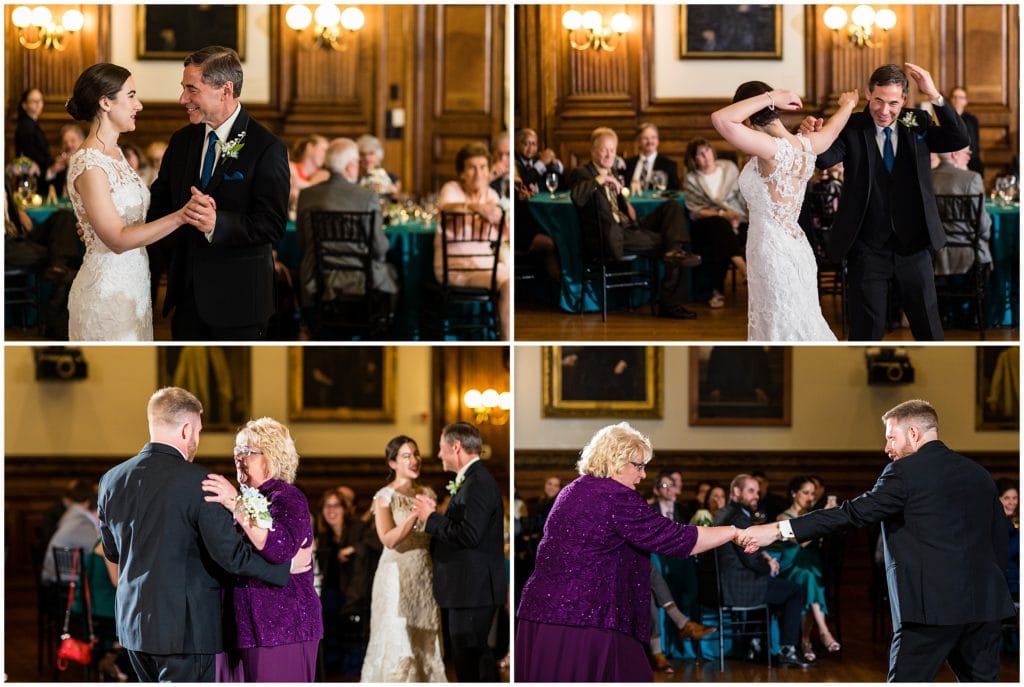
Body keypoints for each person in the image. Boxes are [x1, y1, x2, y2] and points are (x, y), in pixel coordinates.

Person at [743, 399, 1017, 681]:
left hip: (929, 611)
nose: (887, 449)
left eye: (890, 438)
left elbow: (852, 514)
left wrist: (778, 530)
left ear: (913, 433)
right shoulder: (979, 474)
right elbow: (998, 539)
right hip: (986, 605)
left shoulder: (904, 472)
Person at [97, 387, 312, 682]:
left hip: (134, 628)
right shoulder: (201, 482)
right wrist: (283, 570)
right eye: (198, 430)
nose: (198, 438)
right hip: (185, 630)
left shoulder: (111, 480)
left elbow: (112, 551)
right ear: (186, 430)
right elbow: (231, 556)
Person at [515, 423, 753, 681]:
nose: (642, 475)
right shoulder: (615, 496)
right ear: (615, 460)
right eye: (638, 465)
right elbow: (678, 538)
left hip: (544, 616)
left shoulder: (572, 490)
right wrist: (733, 532)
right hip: (585, 621)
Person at [800, 63, 971, 341]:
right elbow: (823, 158)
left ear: (904, 100)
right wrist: (810, 134)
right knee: (865, 333)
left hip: (914, 246)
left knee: (929, 330)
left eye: (893, 103)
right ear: (868, 93)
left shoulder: (913, 120)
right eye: (878, 100)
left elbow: (958, 138)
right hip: (867, 248)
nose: (884, 110)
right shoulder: (853, 126)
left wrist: (934, 95)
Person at [148, 45, 290, 340]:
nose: (183, 99)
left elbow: (273, 224)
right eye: (183, 89)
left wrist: (218, 224)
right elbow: (158, 203)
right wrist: (109, 223)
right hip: (186, 296)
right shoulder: (182, 141)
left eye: (192, 90)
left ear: (225, 90)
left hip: (240, 302)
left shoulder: (266, 147)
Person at [63, 63, 205, 341]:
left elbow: (122, 218)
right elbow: (116, 239)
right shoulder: (90, 163)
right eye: (131, 95)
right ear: (105, 102)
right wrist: (181, 215)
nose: (138, 105)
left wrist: (92, 227)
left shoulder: (114, 152)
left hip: (134, 285)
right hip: (106, 294)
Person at [711, 80, 858, 340]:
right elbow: (834, 129)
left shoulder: (771, 150)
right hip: (797, 248)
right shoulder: (806, 145)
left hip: (772, 252)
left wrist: (771, 96)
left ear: (746, 114)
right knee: (802, 321)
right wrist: (848, 104)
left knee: (781, 329)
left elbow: (720, 119)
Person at [200, 417, 323, 681]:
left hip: (282, 626)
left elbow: (279, 550)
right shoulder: (239, 499)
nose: (238, 458)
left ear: (273, 457)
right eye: (237, 450)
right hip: (238, 625)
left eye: (248, 452)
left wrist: (237, 507)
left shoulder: (287, 497)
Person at [570, 127, 702, 320]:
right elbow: (577, 197)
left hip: (627, 226)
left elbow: (614, 203)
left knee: (672, 208)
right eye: (604, 149)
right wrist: (599, 179)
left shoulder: (612, 172)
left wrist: (626, 203)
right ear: (592, 151)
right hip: (608, 236)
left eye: (612, 150)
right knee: (671, 244)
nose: (609, 154)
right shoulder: (582, 173)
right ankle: (670, 302)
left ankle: (674, 251)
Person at [411, 423, 505, 682]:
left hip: (472, 590)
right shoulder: (470, 481)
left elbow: (469, 535)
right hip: (467, 589)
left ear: (456, 446)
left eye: (441, 449)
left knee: (473, 665)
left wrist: (431, 518)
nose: (439, 455)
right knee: (470, 663)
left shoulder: (478, 483)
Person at [361, 436, 446, 682]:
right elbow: (387, 539)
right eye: (406, 456)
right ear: (392, 463)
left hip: (423, 571)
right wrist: (413, 517)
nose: (414, 460)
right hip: (395, 574)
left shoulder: (427, 492)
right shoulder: (384, 496)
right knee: (398, 638)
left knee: (425, 636)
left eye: (416, 454)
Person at [712, 474, 813, 668]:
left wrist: (765, 557)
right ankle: (787, 649)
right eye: (751, 491)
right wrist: (769, 565)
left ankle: (756, 644)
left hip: (730, 583)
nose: (756, 496)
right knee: (794, 591)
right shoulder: (737, 517)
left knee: (777, 586)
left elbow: (747, 553)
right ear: (736, 492)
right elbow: (751, 560)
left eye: (757, 492)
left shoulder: (724, 513)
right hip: (741, 587)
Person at [296, 137, 398, 315]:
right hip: (361, 279)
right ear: (350, 166)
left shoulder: (306, 195)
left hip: (317, 278)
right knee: (394, 273)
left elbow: (302, 242)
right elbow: (379, 248)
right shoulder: (367, 197)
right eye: (358, 162)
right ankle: (381, 333)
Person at [436, 142, 510, 339]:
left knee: (511, 279)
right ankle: (505, 341)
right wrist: (477, 208)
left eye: (483, 167)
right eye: (471, 167)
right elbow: (446, 208)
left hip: (485, 264)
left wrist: (503, 220)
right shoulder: (451, 189)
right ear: (461, 173)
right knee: (508, 283)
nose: (478, 173)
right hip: (455, 266)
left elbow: (501, 235)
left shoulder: (492, 195)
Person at [775, 476, 840, 661]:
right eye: (805, 493)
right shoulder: (782, 517)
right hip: (792, 566)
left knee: (811, 578)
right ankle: (823, 632)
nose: (810, 497)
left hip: (811, 565)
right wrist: (823, 519)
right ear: (794, 493)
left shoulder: (812, 516)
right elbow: (799, 542)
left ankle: (805, 641)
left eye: (812, 493)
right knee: (810, 577)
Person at [682, 138, 749, 308]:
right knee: (719, 226)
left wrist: (735, 218)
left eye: (707, 151)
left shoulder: (729, 168)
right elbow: (695, 210)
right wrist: (722, 214)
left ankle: (717, 291)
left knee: (722, 238)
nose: (706, 156)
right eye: (700, 154)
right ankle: (742, 266)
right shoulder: (692, 179)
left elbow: (742, 197)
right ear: (693, 159)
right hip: (707, 223)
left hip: (738, 218)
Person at [316, 488, 376, 677]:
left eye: (336, 506)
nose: (331, 510)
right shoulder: (324, 536)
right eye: (327, 506)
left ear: (345, 509)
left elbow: (376, 542)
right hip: (330, 595)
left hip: (353, 595)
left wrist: (352, 549)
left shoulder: (358, 528)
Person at [931, 146, 992, 276]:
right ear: (954, 154)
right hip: (968, 254)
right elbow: (983, 227)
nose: (969, 156)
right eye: (966, 153)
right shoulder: (972, 179)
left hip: (932, 254)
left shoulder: (926, 177)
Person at [40, 480, 99, 583]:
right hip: (63, 578)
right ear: (88, 504)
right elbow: (98, 548)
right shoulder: (81, 522)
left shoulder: (72, 514)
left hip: (55, 573)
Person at [14, 87, 62, 196]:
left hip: (38, 177)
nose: (38, 104)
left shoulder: (32, 125)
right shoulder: (25, 127)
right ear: (24, 105)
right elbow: (30, 156)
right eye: (34, 101)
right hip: (32, 181)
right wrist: (52, 167)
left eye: (40, 101)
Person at [625, 123, 681, 191]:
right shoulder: (627, 164)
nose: (650, 141)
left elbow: (674, 192)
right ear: (639, 141)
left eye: (653, 137)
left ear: (658, 141)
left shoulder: (669, 165)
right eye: (645, 138)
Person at [289, 134, 330, 212]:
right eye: (323, 150)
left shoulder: (325, 174)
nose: (326, 155)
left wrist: (298, 184)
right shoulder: (290, 167)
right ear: (310, 148)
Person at [950, 86, 984, 175]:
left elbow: (975, 143)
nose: (957, 100)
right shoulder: (946, 118)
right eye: (955, 97)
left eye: (961, 97)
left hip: (971, 160)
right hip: (952, 161)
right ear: (951, 100)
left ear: (965, 101)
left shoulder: (972, 120)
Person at [996, 478, 1019, 603]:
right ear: (998, 499)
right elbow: (1005, 552)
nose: (1012, 502)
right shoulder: (996, 524)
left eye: (1014, 498)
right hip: (1006, 586)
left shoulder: (1010, 522)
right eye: (1006, 498)